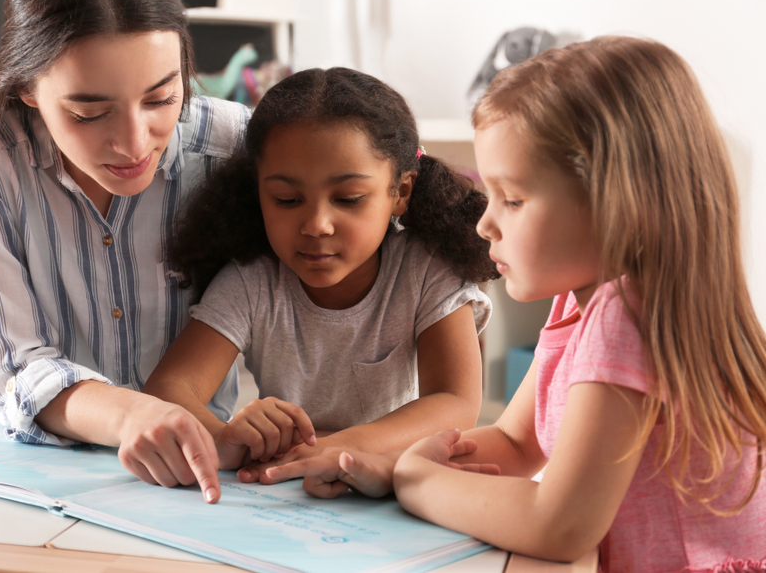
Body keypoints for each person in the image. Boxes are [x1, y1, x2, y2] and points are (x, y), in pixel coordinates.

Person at [269, 37, 766, 570]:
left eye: (514, 199)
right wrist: (388, 466)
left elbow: (560, 526)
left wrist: (418, 480)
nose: (486, 224)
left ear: (618, 202)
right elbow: (515, 442)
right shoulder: (580, 305)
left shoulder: (627, 315)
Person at [0, 0, 251, 504]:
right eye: (89, 113)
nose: (135, 142)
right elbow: (16, 362)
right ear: (25, 88)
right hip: (17, 464)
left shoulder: (230, 144)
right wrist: (129, 415)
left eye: (162, 97)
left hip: (196, 473)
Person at [143, 67, 496, 479]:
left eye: (348, 199)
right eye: (287, 199)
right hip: (292, 488)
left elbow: (455, 402)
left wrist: (335, 449)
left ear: (399, 193)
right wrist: (222, 438)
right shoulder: (252, 282)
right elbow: (168, 391)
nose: (316, 225)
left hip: (398, 479)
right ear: (258, 195)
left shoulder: (426, 270)